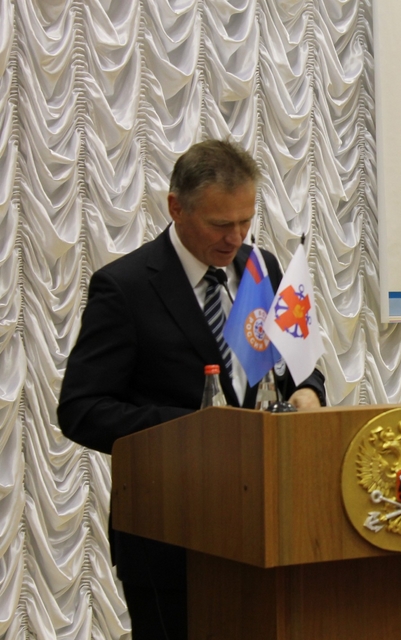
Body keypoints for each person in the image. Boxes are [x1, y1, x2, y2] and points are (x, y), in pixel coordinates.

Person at [58, 139, 327, 640]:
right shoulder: (125, 287)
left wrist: (309, 390)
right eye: (220, 224)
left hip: (267, 519)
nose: (235, 238)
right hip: (169, 530)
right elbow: (82, 410)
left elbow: (297, 362)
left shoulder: (260, 267)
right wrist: (197, 430)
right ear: (176, 208)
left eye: (245, 221)